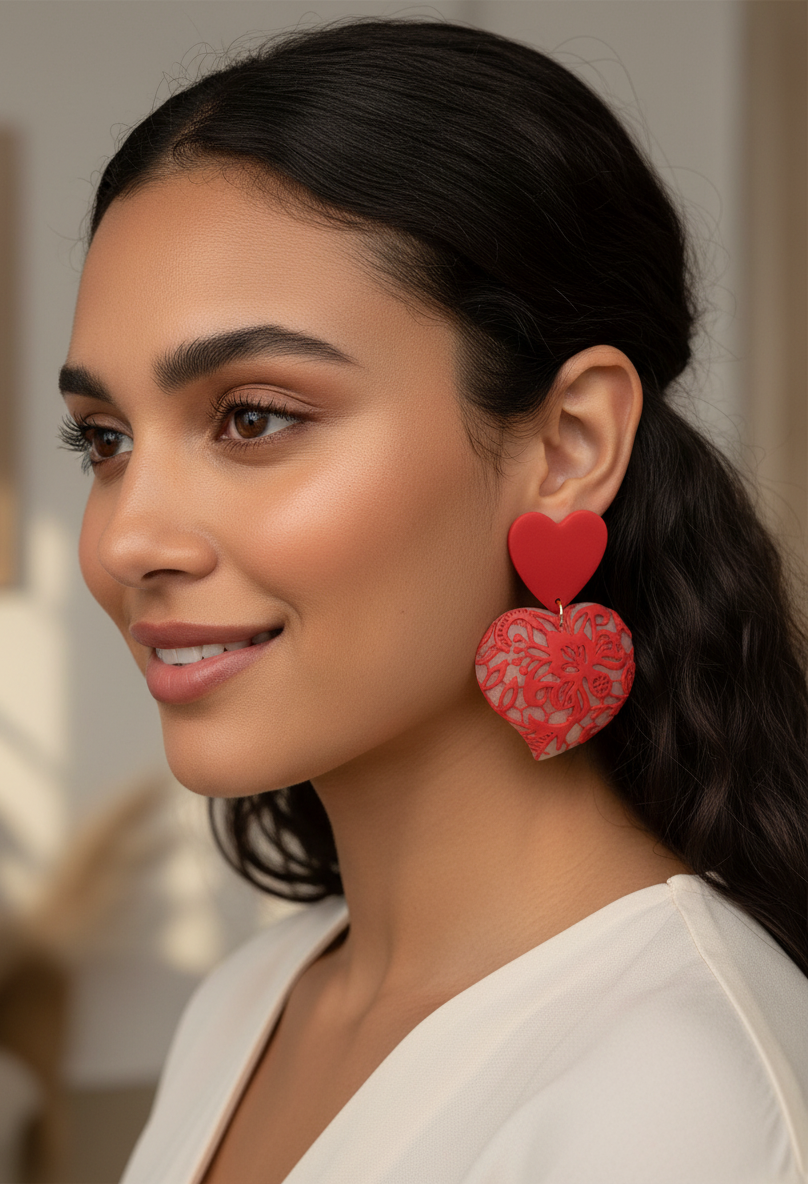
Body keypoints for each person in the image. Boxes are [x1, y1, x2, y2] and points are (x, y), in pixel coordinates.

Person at [58, 18, 808, 1184]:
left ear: (566, 443)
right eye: (103, 437)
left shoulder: (674, 1099)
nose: (125, 537)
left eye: (253, 416)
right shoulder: (254, 997)